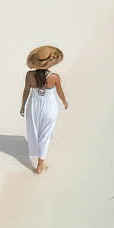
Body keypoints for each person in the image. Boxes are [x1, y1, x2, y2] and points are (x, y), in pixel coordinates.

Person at [21, 44, 67, 172]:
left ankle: (38, 157)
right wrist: (64, 102)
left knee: (34, 131)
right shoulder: (54, 77)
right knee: (46, 134)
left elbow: (26, 91)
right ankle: (40, 164)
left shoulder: (29, 75)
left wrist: (23, 106)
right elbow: (60, 93)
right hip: (49, 106)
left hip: (33, 105)